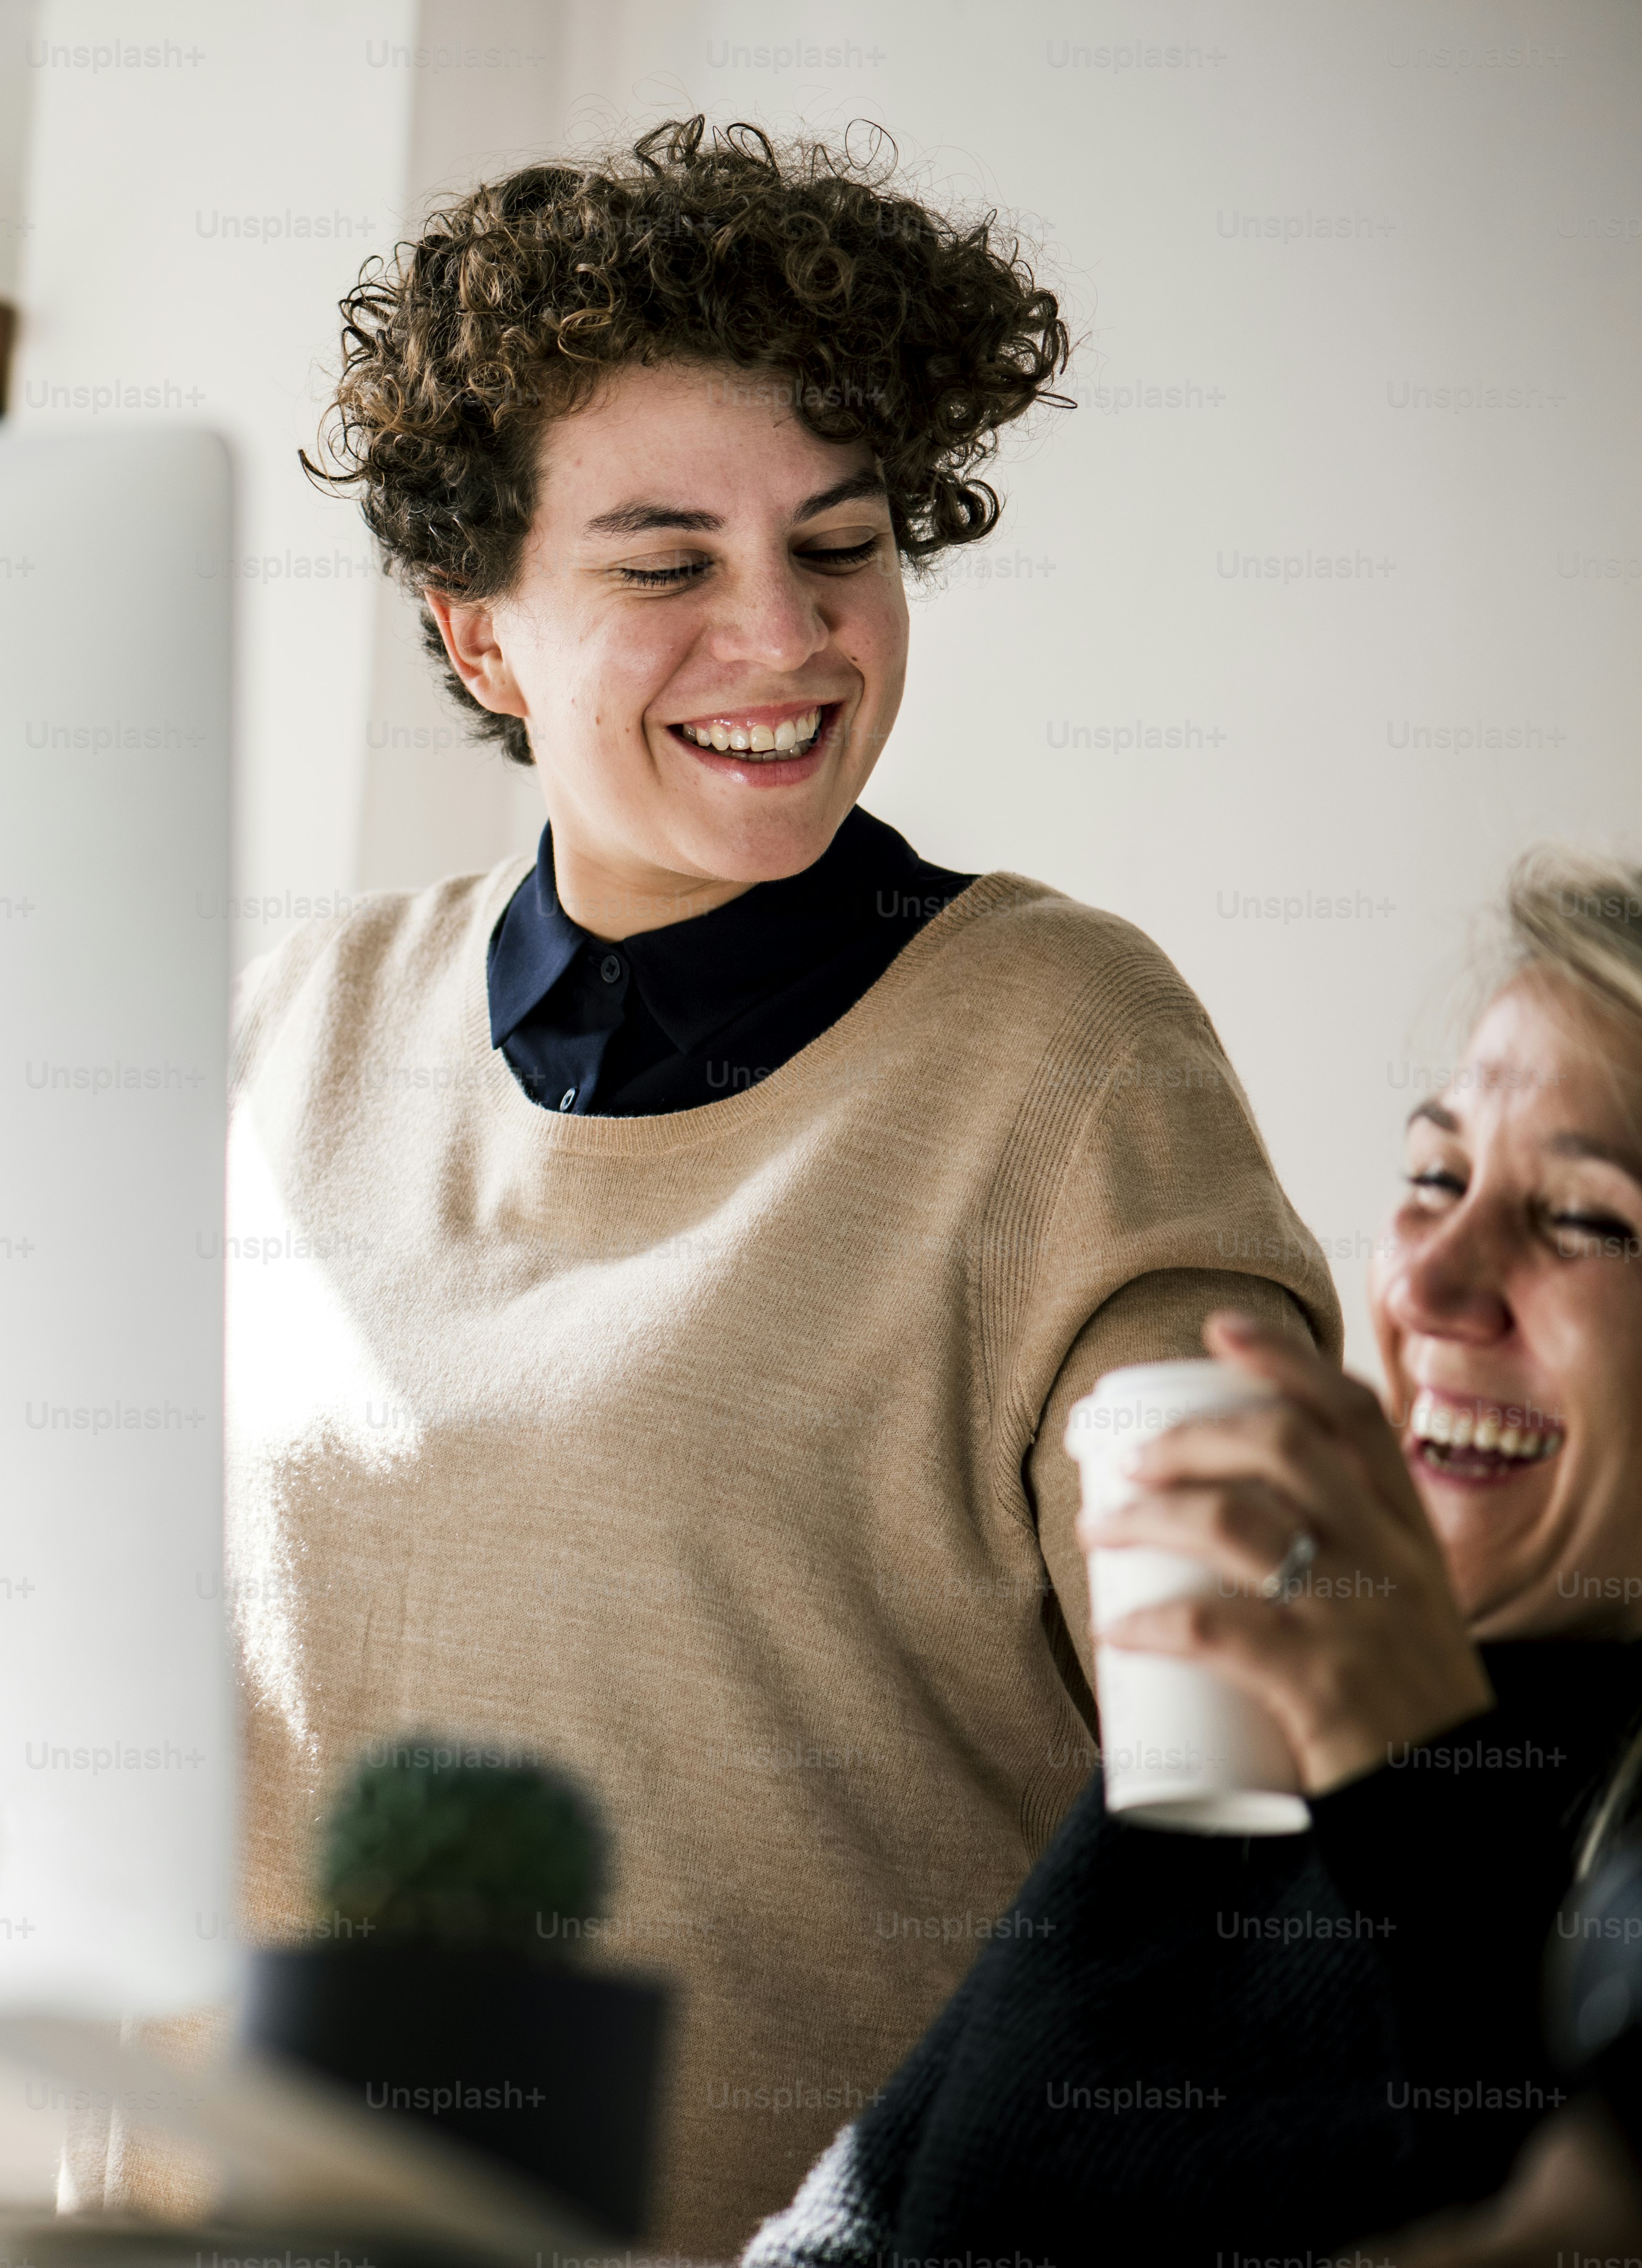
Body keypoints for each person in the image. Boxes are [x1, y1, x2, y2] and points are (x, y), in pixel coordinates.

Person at [233, 118, 1340, 2249]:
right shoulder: (297, 1032)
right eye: (662, 567)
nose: (783, 637)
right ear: (475, 635)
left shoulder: (1064, 1043)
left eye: (837, 545)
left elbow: (1261, 1751)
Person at [743, 850, 1642, 2262]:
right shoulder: (1240, 1694)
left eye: (1583, 1217)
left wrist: (1408, 1776)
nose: (1421, 1283)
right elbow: (866, 2211)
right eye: (1432, 1176)